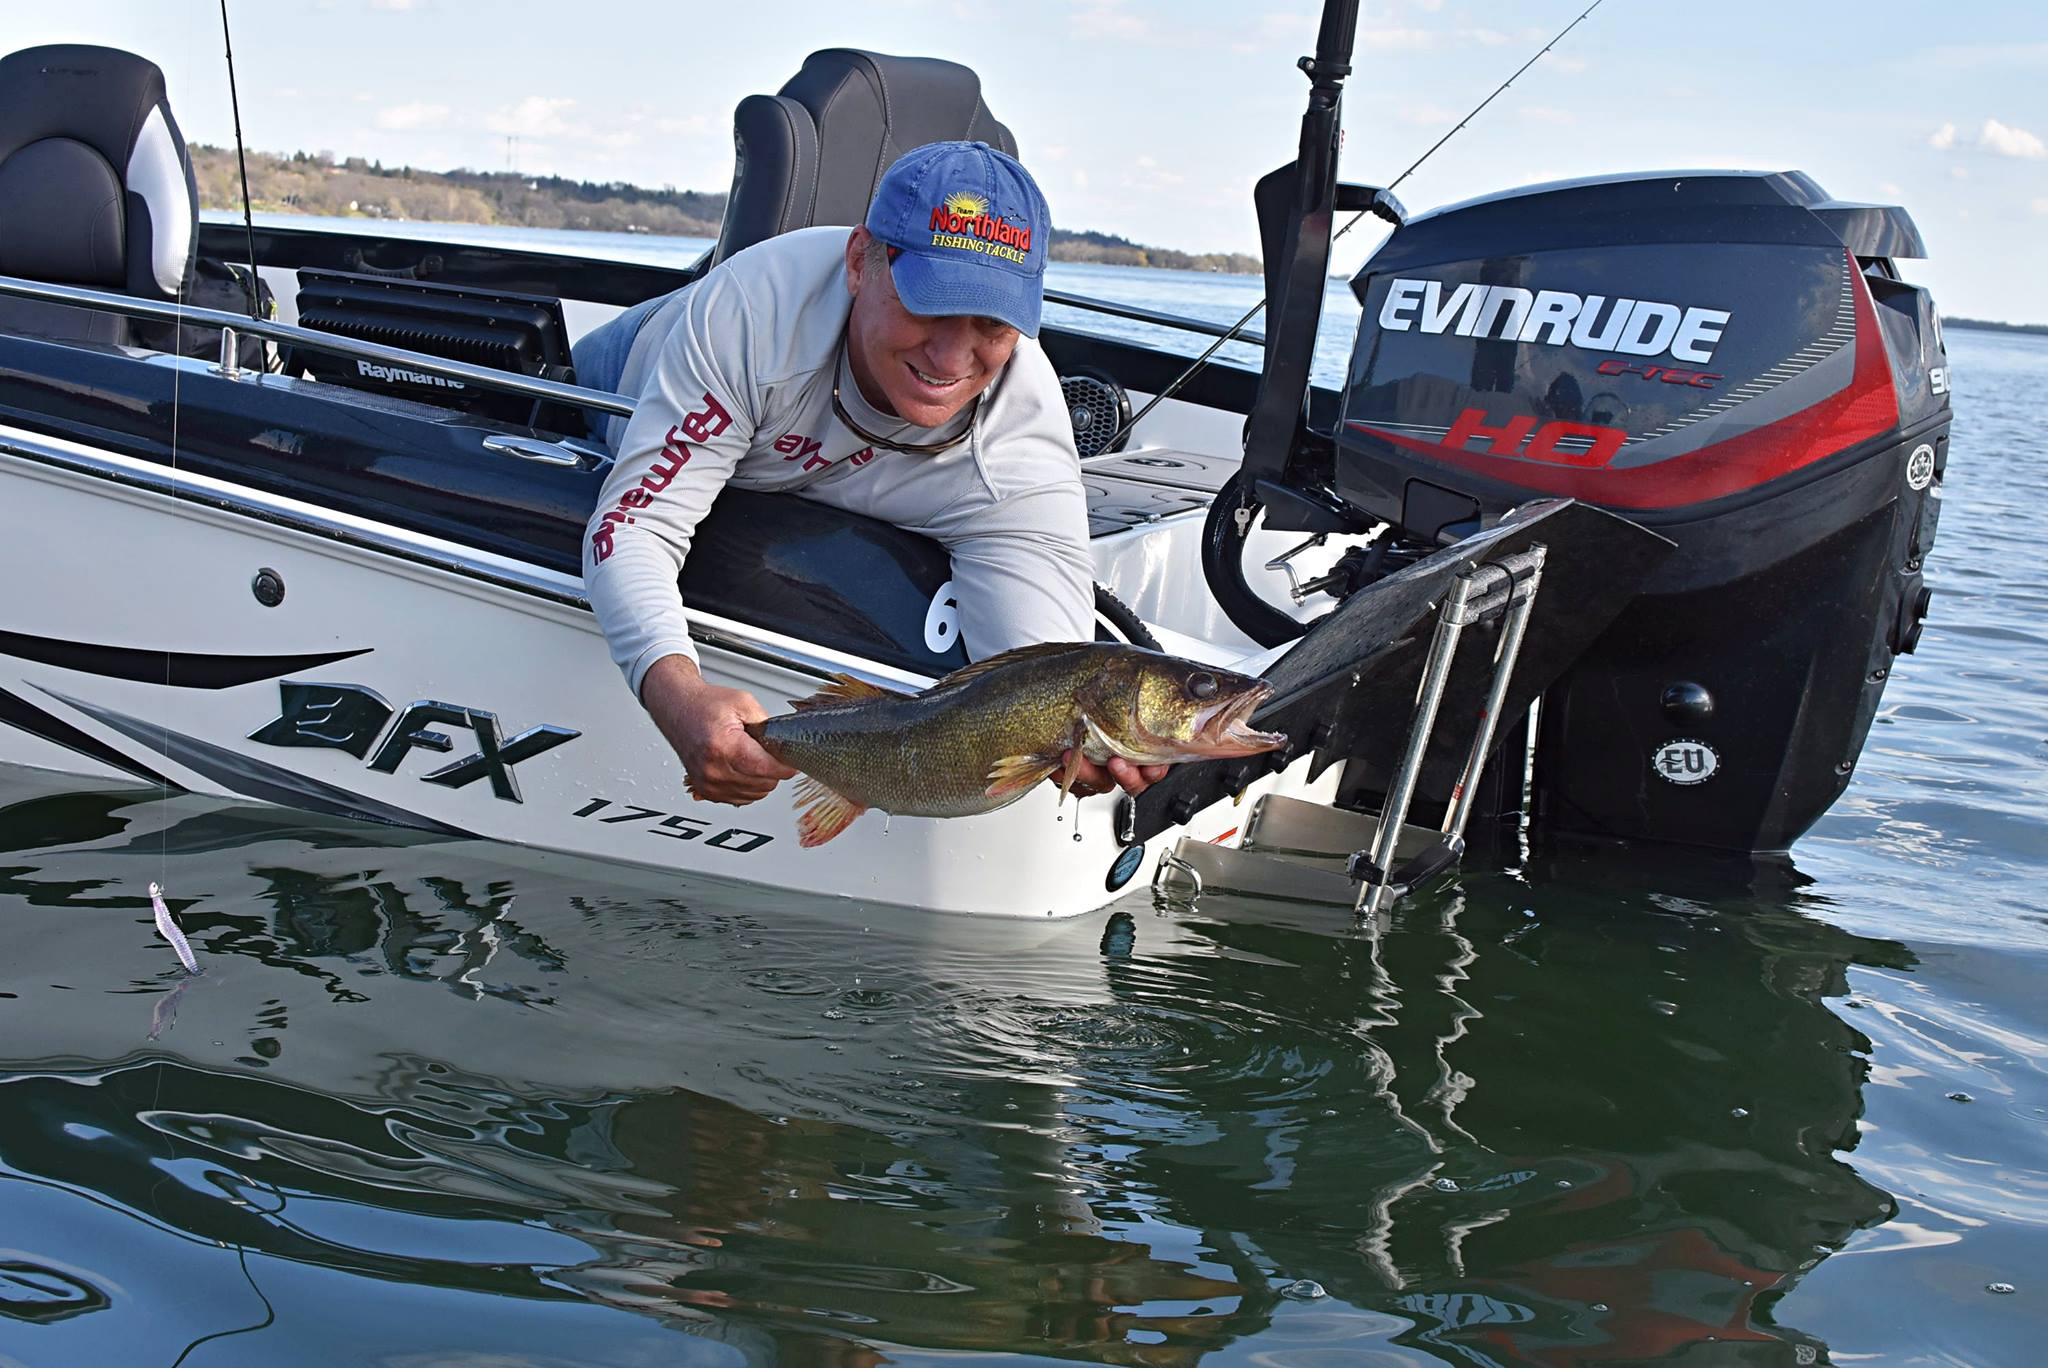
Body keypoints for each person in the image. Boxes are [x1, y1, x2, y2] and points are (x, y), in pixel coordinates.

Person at [579, 140, 1167, 809]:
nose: (951, 357)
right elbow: (633, 527)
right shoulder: (756, 310)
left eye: (992, 324)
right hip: (634, 374)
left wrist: (1090, 746)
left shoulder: (1020, 436)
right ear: (860, 261)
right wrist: (676, 693)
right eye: (929, 305)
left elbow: (1047, 677)